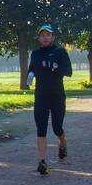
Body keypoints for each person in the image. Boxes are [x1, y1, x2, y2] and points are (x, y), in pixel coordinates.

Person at [27, 24, 73, 175]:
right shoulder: (35, 54)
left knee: (57, 127)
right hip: (41, 96)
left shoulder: (60, 52)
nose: (45, 37)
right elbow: (32, 67)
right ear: (39, 38)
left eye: (48, 35)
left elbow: (68, 71)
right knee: (41, 129)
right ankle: (42, 162)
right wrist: (31, 74)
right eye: (42, 35)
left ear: (53, 37)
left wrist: (54, 67)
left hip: (57, 96)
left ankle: (62, 141)